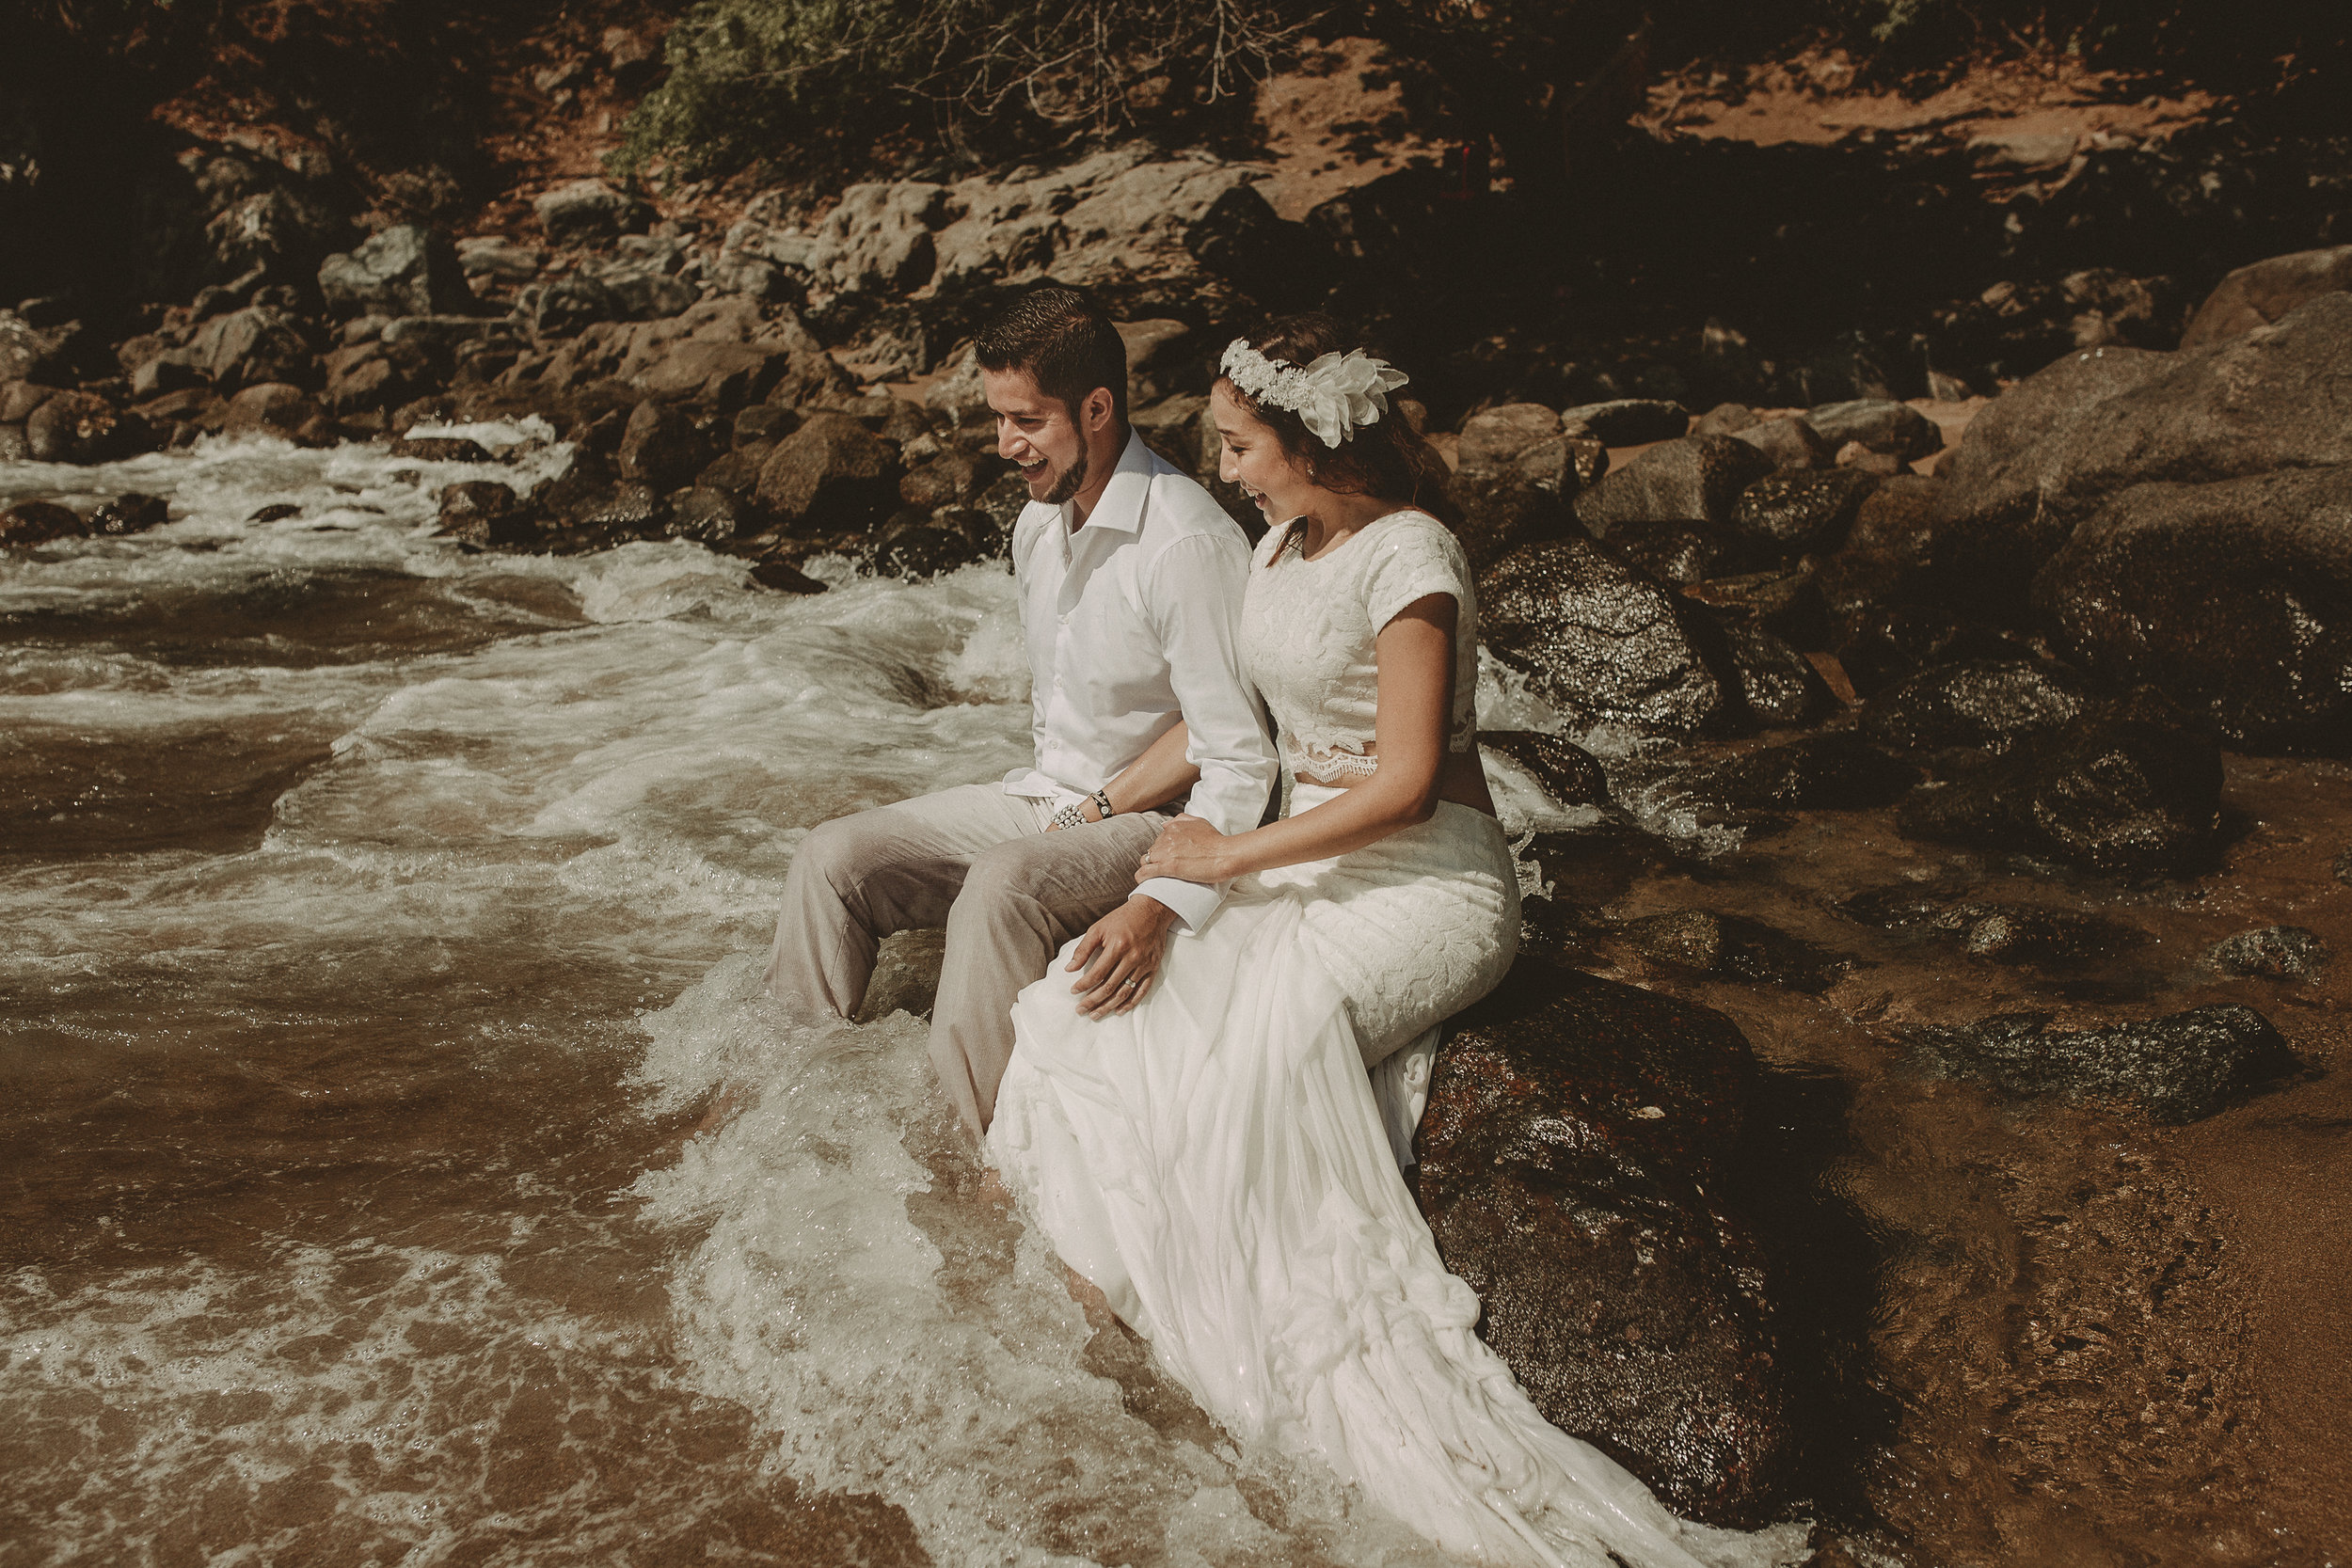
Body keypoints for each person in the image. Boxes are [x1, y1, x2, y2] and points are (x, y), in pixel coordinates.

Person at [987, 317, 1804, 1568]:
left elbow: (1413, 781)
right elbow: (1235, 738)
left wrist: (1223, 860)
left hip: (1423, 886)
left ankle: (1242, 1373)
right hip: (1298, 862)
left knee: (1235, 1080)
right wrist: (1155, 865)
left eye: (1245, 445)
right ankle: (1105, 1325)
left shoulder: (1413, 555)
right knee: (1082, 1016)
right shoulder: (1274, 542)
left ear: (1312, 442)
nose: (1230, 469)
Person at [765, 285, 1277, 1138]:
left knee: (1002, 881)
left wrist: (1159, 898)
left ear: (1099, 407)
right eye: (997, 420)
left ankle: (961, 1149)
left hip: (1153, 819)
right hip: (1048, 795)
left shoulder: (1183, 542)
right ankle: (782, 1101)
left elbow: (1238, 751)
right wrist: (1065, 809)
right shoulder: (1037, 525)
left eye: (1027, 421)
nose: (1005, 445)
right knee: (831, 859)